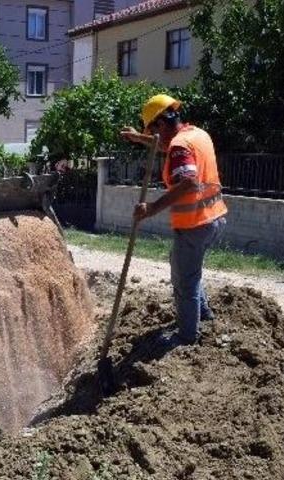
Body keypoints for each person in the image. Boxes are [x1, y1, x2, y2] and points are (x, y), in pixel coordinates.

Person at [120, 94, 228, 346]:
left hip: (194, 224)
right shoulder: (196, 134)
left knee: (183, 280)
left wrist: (152, 208)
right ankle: (204, 313)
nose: (154, 134)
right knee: (191, 270)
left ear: (160, 124)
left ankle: (187, 336)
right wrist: (139, 137)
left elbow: (188, 182)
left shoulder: (180, 146)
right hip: (214, 217)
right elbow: (165, 145)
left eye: (152, 129)